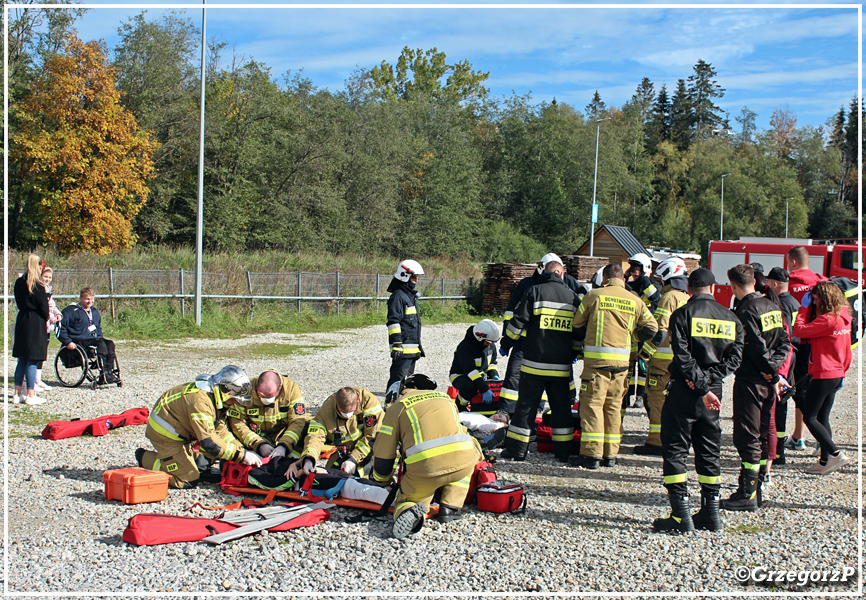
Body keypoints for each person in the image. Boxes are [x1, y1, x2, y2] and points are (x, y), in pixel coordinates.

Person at [653, 269, 743, 533]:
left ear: (689, 289)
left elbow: (681, 356)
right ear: (713, 289)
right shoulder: (732, 318)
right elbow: (734, 359)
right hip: (713, 394)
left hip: (686, 390)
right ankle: (710, 513)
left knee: (675, 451)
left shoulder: (682, 314)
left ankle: (681, 516)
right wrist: (710, 383)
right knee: (709, 451)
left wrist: (700, 385)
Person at [370, 374, 483, 539]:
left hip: (426, 469)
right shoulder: (445, 399)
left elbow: (384, 453)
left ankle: (410, 511)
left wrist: (381, 480)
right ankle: (451, 507)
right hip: (464, 461)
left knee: (409, 499)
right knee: (461, 462)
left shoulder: (398, 407)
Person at [572, 263, 658, 469]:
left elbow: (577, 325)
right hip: (622, 365)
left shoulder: (594, 295)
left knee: (592, 406)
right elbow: (653, 327)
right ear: (623, 279)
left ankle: (591, 455)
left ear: (604, 278)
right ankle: (610, 455)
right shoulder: (635, 300)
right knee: (613, 407)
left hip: (597, 364)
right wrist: (634, 336)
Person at [720, 265, 790, 512]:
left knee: (747, 436)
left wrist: (770, 371)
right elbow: (785, 343)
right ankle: (756, 488)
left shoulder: (745, 309)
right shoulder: (772, 305)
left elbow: (756, 348)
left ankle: (747, 493)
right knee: (760, 434)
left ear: (733, 285)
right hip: (768, 382)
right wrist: (776, 372)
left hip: (751, 380)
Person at [499, 259, 583, 462]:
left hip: (533, 366)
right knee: (562, 410)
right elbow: (579, 332)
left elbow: (517, 323)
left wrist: (506, 344)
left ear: (545, 273)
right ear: (562, 274)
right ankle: (563, 453)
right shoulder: (572, 297)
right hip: (561, 369)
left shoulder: (534, 291)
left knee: (525, 408)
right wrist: (574, 353)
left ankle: (517, 451)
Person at [137, 365, 262, 489]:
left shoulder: (215, 397)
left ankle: (192, 463)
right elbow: (209, 442)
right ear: (226, 392)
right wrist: (242, 456)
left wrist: (241, 449)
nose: (236, 402)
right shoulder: (201, 402)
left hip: (182, 431)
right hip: (166, 436)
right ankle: (146, 458)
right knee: (187, 479)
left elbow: (220, 431)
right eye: (235, 399)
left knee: (210, 456)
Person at [792, 281, 852, 475]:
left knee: (809, 416)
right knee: (822, 416)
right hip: (837, 372)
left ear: (824, 299)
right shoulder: (845, 317)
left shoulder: (827, 320)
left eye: (816, 300)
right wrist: (843, 370)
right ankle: (825, 460)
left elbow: (799, 330)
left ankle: (835, 454)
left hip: (825, 373)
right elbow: (847, 349)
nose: (814, 304)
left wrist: (802, 308)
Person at [633, 257, 690, 456]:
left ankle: (656, 442)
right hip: (681, 361)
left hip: (662, 362)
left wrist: (645, 353)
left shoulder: (668, 297)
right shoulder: (686, 297)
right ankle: (676, 439)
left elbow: (661, 331)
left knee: (656, 400)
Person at [784, 246, 826, 452]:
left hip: (794, 345)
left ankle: (800, 437)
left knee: (796, 392)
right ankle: (813, 436)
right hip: (819, 346)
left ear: (792, 262)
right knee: (816, 392)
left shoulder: (787, 283)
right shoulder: (822, 281)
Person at [293, 386, 383, 476]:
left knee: (366, 475)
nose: (347, 415)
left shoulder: (369, 402)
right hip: (345, 450)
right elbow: (315, 436)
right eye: (342, 412)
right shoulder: (327, 409)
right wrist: (309, 458)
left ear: (358, 401)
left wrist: (353, 459)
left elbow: (373, 436)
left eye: (350, 412)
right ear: (336, 401)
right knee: (330, 475)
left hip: (370, 450)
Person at [226, 369, 310, 460]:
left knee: (307, 427)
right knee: (227, 432)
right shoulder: (246, 390)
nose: (266, 400)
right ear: (257, 386)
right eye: (261, 395)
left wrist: (284, 445)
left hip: (280, 435)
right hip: (252, 437)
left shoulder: (291, 389)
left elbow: (297, 421)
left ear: (279, 388)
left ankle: (293, 461)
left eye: (270, 396)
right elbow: (237, 423)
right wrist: (258, 444)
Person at [765, 267, 800, 465]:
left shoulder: (780, 305)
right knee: (783, 405)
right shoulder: (794, 301)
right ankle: (778, 449)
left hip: (785, 359)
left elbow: (783, 338)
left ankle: (777, 452)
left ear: (774, 284)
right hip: (793, 357)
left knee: (778, 407)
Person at [57, 287, 119, 384]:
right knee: (101, 345)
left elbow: (98, 327)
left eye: (91, 299)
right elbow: (61, 327)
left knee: (110, 344)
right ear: (81, 298)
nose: (89, 301)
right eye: (87, 299)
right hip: (79, 339)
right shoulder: (71, 311)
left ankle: (108, 372)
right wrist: (67, 342)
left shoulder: (94, 312)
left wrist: (100, 336)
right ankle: (104, 373)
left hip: (94, 338)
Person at [12, 254, 50, 405]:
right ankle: (30, 394)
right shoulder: (37, 284)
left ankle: (16, 393)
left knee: (22, 358)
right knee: (32, 359)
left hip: (22, 319)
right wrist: (47, 317)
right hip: (35, 322)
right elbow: (43, 307)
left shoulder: (19, 282)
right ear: (38, 266)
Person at [449, 319, 504, 417]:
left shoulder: (490, 346)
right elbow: (470, 370)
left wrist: (495, 377)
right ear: (479, 337)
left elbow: (492, 363)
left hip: (479, 374)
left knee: (488, 385)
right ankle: (460, 405)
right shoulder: (465, 347)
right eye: (488, 342)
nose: (490, 344)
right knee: (471, 386)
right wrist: (484, 388)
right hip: (460, 375)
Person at [386, 260, 425, 397]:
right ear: (405, 276)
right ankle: (390, 408)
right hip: (402, 350)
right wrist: (396, 344)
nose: (416, 281)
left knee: (406, 383)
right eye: (414, 277)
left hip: (411, 350)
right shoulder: (398, 297)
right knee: (397, 381)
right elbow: (393, 322)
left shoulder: (409, 297)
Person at [34, 266, 62, 393]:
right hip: (40, 324)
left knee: (43, 353)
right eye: (45, 276)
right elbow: (42, 307)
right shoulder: (38, 289)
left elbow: (53, 306)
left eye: (49, 277)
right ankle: (32, 380)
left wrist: (58, 314)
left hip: (49, 326)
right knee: (36, 353)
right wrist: (51, 316)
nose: (47, 279)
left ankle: (38, 379)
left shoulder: (49, 289)